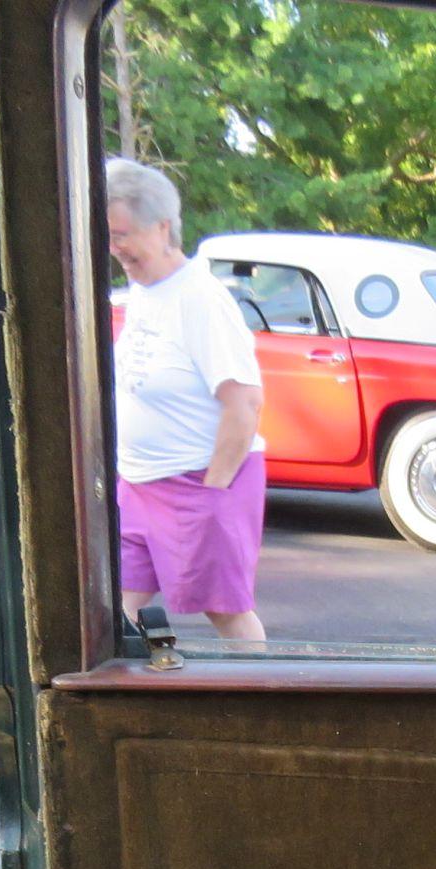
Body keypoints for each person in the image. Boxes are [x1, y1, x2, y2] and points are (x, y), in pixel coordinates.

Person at [104, 157, 269, 645]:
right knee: (116, 609)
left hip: (198, 483)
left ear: (161, 227)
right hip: (138, 486)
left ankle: (265, 709)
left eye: (122, 235)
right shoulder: (144, 292)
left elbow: (245, 403)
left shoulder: (199, 297)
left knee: (226, 612)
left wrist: (212, 494)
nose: (116, 249)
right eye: (110, 237)